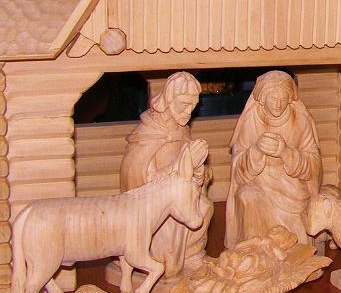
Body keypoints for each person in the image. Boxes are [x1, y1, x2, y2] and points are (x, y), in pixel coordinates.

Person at [120, 71, 213, 281]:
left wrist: (198, 169)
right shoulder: (148, 133)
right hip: (152, 203)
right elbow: (139, 178)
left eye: (193, 105)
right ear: (169, 100)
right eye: (184, 105)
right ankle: (163, 265)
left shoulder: (181, 130)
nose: (189, 111)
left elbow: (193, 174)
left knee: (204, 206)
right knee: (171, 221)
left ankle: (191, 256)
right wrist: (181, 165)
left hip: (178, 194)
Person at [225, 70, 322, 248]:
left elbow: (313, 164)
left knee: (297, 227)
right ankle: (255, 252)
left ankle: (295, 252)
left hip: (291, 187)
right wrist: (256, 151)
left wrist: (286, 153)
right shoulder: (251, 120)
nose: (278, 104)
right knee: (247, 196)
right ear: (262, 98)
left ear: (290, 98)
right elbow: (238, 167)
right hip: (258, 183)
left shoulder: (300, 121)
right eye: (273, 98)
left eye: (283, 99)